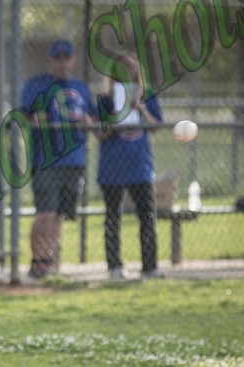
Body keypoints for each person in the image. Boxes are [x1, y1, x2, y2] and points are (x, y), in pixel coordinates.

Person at [20, 38, 97, 278]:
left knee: (59, 215)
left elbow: (93, 118)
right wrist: (34, 121)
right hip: (46, 160)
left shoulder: (82, 88)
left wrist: (88, 122)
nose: (63, 63)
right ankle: (37, 261)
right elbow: (23, 114)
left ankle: (49, 261)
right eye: (58, 58)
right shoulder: (37, 85)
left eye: (67, 58)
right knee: (45, 213)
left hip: (74, 160)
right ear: (50, 61)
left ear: (73, 60)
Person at [96, 52, 164, 280]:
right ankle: (114, 267)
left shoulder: (148, 96)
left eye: (131, 70)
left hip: (140, 167)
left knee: (147, 217)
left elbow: (156, 126)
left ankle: (150, 267)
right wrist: (117, 114)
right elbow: (100, 134)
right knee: (112, 218)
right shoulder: (105, 101)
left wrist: (140, 108)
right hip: (112, 168)